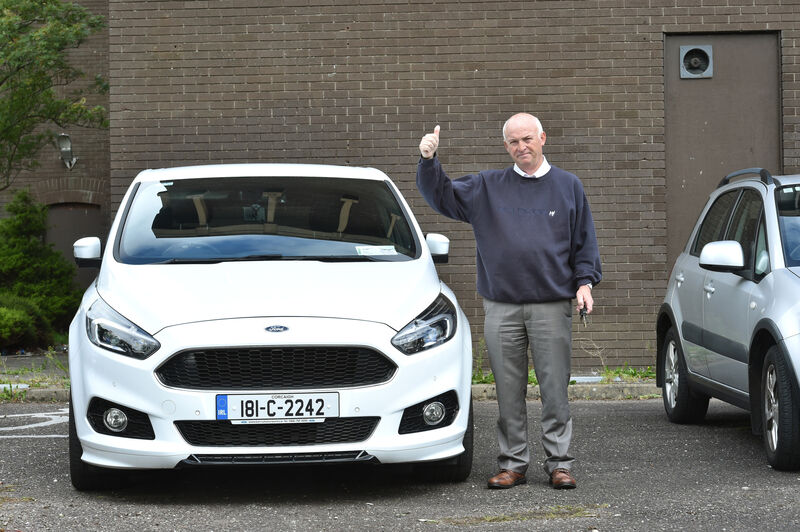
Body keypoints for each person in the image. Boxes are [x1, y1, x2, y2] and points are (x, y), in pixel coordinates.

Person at [416, 113, 601, 490]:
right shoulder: (487, 187)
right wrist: (429, 162)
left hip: (552, 304)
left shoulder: (568, 186)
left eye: (528, 139)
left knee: (554, 388)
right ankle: (513, 463)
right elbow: (442, 196)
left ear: (543, 138)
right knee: (507, 388)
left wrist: (585, 283)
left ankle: (559, 463)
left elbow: (584, 241)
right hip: (501, 305)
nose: (522, 147)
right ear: (506, 146)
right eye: (514, 142)